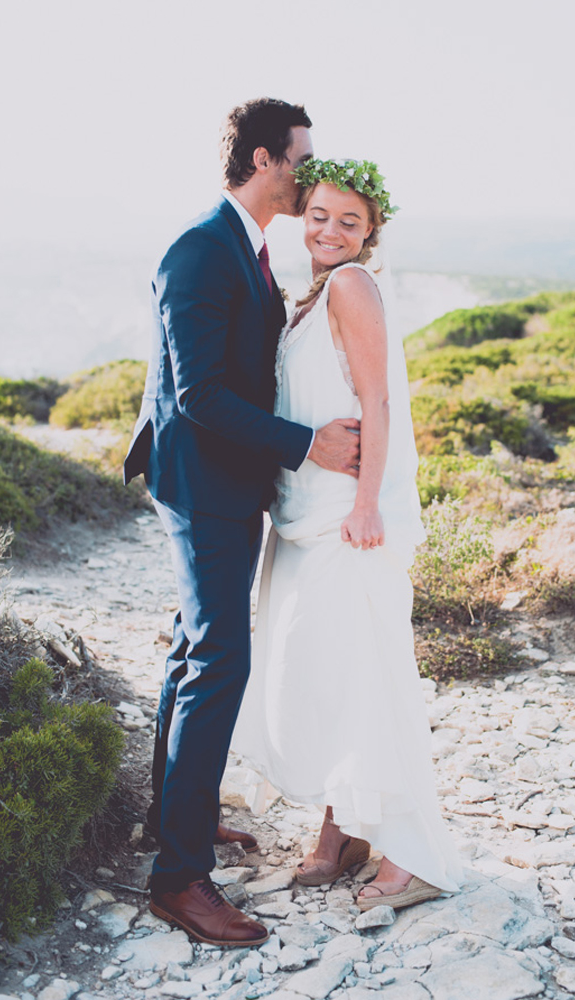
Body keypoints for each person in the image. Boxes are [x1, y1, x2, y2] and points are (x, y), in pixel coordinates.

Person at [123, 101, 361, 947]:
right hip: (202, 485)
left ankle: (173, 825)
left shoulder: (247, 245)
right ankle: (179, 880)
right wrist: (309, 446)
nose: (307, 174)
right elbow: (196, 393)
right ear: (265, 157)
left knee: (196, 650)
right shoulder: (199, 248)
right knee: (219, 659)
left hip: (226, 480)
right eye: (301, 159)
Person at [233, 158, 463, 910]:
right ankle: (344, 830)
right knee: (327, 673)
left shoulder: (352, 285)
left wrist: (367, 504)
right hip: (308, 514)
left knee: (367, 677)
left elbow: (377, 402)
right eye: (321, 215)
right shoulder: (311, 294)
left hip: (345, 519)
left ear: (370, 233)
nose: (331, 230)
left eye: (349, 221)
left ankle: (408, 859)